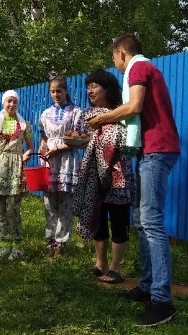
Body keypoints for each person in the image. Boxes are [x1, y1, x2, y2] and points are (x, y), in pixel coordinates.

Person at [87, 33, 180, 327]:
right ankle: (147, 285)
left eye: (114, 58)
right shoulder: (146, 68)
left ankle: (162, 301)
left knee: (151, 221)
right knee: (141, 220)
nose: (115, 65)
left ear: (121, 54)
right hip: (150, 151)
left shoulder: (138, 67)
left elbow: (134, 106)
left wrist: (102, 118)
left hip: (157, 150)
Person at [72, 69, 135, 285]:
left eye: (94, 86)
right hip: (94, 175)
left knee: (118, 219)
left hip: (117, 174)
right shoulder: (86, 115)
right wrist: (78, 138)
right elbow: (82, 138)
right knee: (96, 216)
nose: (90, 91)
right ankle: (101, 264)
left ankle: (116, 268)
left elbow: (128, 138)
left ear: (107, 89)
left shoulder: (121, 112)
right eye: (88, 87)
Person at [0, 90, 33, 260]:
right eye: (9, 101)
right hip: (0, 168)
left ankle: (18, 247)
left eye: (14, 102)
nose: (11, 104)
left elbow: (31, 146)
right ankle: (4, 244)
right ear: (3, 103)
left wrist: (27, 154)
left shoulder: (24, 125)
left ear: (18, 104)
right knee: (1, 209)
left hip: (16, 167)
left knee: (13, 209)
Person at [38, 75, 81, 258]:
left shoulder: (76, 113)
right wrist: (42, 147)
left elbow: (78, 139)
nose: (56, 94)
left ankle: (61, 242)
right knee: (49, 203)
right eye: (53, 91)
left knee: (65, 202)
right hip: (49, 160)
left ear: (66, 91)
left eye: (59, 91)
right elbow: (44, 137)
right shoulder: (45, 114)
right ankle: (50, 241)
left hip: (66, 159)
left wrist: (56, 148)